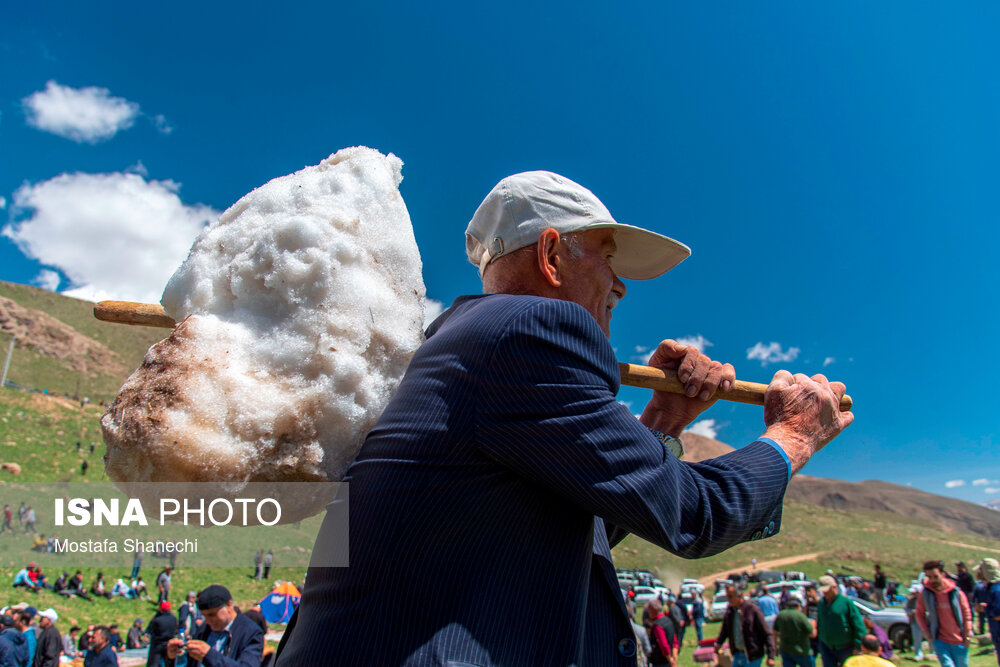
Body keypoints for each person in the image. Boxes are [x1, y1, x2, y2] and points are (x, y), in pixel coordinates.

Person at [274, 171, 853, 666]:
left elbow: (586, 523)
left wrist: (663, 422)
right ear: (551, 256)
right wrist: (795, 434)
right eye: (606, 257)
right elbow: (698, 515)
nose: (619, 284)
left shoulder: (470, 343)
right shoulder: (530, 329)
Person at [165, 584, 264, 667]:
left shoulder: (251, 632)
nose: (207, 621)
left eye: (212, 615)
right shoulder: (204, 629)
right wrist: (172, 658)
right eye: (204, 616)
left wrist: (209, 655)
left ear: (229, 605)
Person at [915, 559, 973, 667]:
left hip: (960, 640)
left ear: (942, 575)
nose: (932, 580)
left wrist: (967, 634)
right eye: (929, 577)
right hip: (940, 640)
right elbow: (919, 613)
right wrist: (927, 633)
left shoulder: (955, 592)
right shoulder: (926, 593)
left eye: (935, 577)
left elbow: (966, 614)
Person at [716, 585, 777, 667]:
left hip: (752, 655)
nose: (728, 599)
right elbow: (725, 631)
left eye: (731, 596)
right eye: (727, 596)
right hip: (737, 654)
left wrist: (771, 656)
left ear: (739, 595)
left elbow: (766, 633)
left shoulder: (752, 610)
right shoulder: (730, 612)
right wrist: (719, 643)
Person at [816, 575, 865, 667]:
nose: (825, 593)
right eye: (823, 591)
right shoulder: (821, 603)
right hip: (826, 646)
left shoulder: (846, 602)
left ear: (834, 587)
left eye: (827, 591)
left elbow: (858, 625)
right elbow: (820, 623)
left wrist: (859, 646)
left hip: (846, 647)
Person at [773, 599, 816, 667]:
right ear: (798, 606)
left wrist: (775, 647)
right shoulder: (800, 616)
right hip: (801, 651)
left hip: (785, 650)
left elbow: (775, 632)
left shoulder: (780, 615)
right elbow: (812, 634)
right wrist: (813, 625)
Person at [973, 558, 1000, 667]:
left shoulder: (997, 590)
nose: (978, 574)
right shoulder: (991, 589)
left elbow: (998, 614)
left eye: (980, 571)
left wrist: (985, 609)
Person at [646, 600, 679, 666]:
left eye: (649, 610)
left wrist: (670, 660)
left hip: (661, 661)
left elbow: (663, 645)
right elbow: (674, 640)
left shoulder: (657, 625)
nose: (648, 612)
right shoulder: (668, 620)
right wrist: (674, 656)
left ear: (654, 609)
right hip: (670, 657)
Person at [146, 602, 178, 667]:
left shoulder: (157, 619)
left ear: (161, 609)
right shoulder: (174, 618)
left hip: (158, 644)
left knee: (154, 663)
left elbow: (151, 630)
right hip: (169, 643)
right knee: (170, 663)